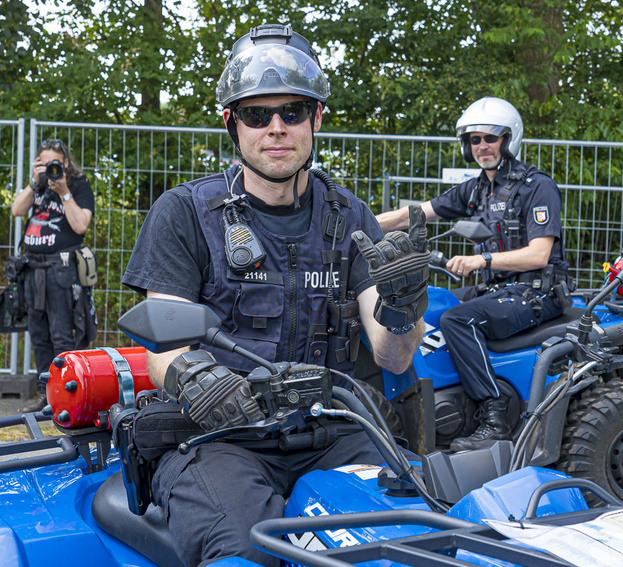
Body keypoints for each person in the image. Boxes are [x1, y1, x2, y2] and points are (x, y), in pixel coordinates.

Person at [121, 23, 428, 566]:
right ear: (232, 125)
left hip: (330, 431)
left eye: (292, 111)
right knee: (245, 551)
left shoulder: (351, 217)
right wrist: (195, 380)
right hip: (215, 439)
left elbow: (391, 355)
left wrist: (402, 312)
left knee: (424, 520)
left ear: (315, 120)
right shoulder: (185, 212)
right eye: (257, 115)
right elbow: (159, 347)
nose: (276, 128)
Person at [376, 97, 573, 452]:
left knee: (456, 320)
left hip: (536, 293)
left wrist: (480, 261)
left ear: (508, 139)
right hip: (499, 291)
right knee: (435, 306)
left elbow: (539, 253)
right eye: (475, 140)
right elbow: (418, 213)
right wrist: (361, 226)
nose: (482, 146)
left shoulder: (536, 185)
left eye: (490, 138)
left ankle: (494, 414)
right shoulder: (477, 188)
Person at [11, 139, 96, 405]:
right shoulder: (37, 187)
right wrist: (33, 181)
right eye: (44, 163)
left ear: (66, 163)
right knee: (38, 335)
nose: (50, 168)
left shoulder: (78, 185)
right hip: (32, 270)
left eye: (54, 163)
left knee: (61, 335)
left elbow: (81, 225)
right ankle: (45, 395)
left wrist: (64, 192)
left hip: (61, 270)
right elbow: (16, 210)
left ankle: (65, 395)